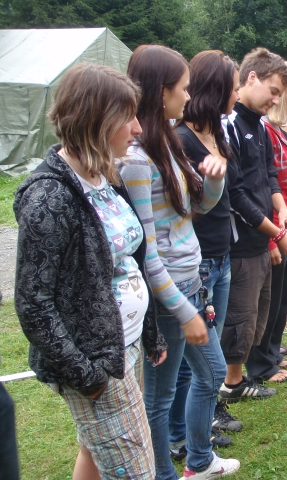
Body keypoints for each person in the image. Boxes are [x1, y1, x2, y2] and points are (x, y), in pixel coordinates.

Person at [14, 63, 167, 479]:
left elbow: (128, 261)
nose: (138, 127)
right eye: (128, 116)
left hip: (123, 346)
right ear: (96, 119)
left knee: (94, 453)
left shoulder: (105, 175)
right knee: (136, 472)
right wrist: (89, 376)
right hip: (98, 362)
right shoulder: (49, 197)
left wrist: (148, 331)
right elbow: (33, 304)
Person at [119, 45, 240, 480]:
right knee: (162, 395)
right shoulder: (136, 160)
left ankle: (199, 462)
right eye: (183, 89)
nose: (189, 97)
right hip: (168, 293)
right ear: (161, 91)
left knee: (207, 375)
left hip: (191, 281)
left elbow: (195, 210)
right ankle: (167, 473)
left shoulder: (168, 142)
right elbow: (146, 251)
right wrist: (183, 310)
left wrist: (213, 180)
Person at [219, 48, 287, 402]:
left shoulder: (261, 126)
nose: (275, 100)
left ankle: (239, 378)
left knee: (259, 313)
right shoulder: (230, 126)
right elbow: (236, 193)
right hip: (241, 242)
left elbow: (269, 176)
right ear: (251, 78)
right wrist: (277, 234)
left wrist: (281, 209)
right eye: (273, 91)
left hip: (263, 236)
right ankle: (232, 383)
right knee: (239, 317)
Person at [170, 51, 243, 458]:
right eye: (234, 87)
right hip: (199, 262)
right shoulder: (181, 140)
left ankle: (195, 426)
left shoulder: (217, 132)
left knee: (202, 358)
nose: (237, 94)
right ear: (217, 90)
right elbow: (186, 210)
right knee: (193, 363)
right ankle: (181, 437)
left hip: (221, 254)